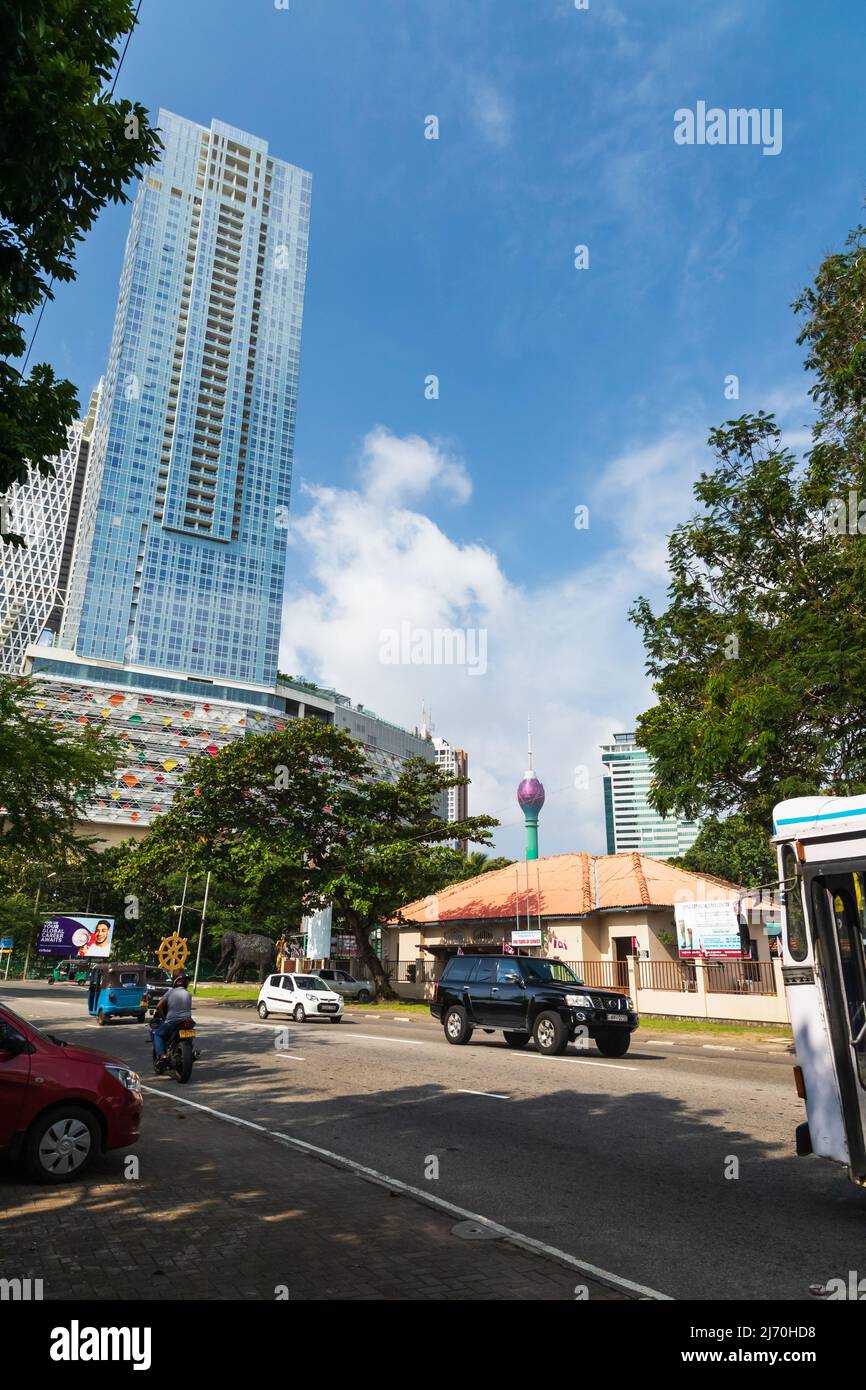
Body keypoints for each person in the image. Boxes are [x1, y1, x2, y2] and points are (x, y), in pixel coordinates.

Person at [152, 971, 194, 1062]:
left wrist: (164, 1018)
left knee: (157, 1034)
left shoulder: (170, 992)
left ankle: (162, 1055)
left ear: (175, 981)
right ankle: (190, 1051)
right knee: (189, 1035)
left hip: (173, 1022)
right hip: (188, 1021)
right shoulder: (189, 994)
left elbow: (159, 1006)